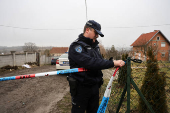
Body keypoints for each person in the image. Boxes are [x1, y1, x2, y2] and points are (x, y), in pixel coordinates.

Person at [67, 20, 125, 113]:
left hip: (94, 88)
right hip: (81, 89)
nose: (97, 36)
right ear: (87, 30)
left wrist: (111, 62)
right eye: (96, 33)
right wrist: (113, 63)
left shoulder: (95, 46)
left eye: (98, 34)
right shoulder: (76, 46)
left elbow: (99, 62)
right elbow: (90, 63)